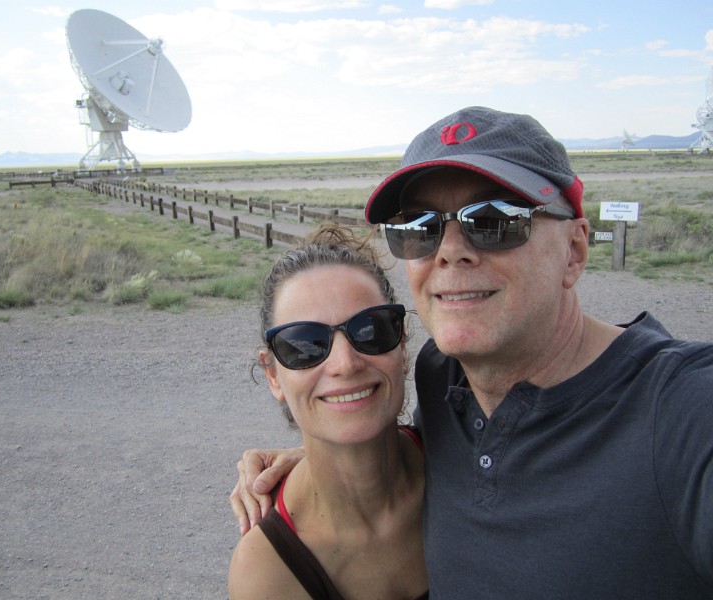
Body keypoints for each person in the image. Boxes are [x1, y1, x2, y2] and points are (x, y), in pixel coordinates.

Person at [231, 107, 713, 599]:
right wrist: (327, 449)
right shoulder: (443, 378)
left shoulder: (682, 416)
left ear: (574, 250)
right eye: (420, 226)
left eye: (494, 220)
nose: (450, 251)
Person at [228, 224, 429, 600]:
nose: (344, 364)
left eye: (370, 330)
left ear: (402, 347)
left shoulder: (463, 458)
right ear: (273, 374)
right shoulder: (267, 571)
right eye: (304, 343)